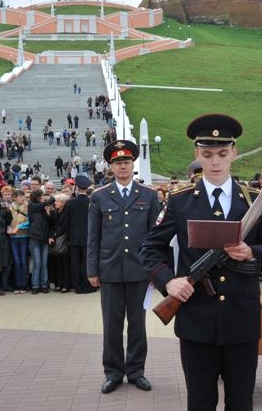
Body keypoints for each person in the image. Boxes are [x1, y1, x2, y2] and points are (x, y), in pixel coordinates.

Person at [140, 113, 262, 411]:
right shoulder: (180, 200)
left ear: (234, 153)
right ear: (197, 154)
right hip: (196, 321)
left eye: (222, 154)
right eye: (207, 154)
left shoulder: (253, 199)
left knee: (241, 402)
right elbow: (150, 248)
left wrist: (251, 253)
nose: (215, 162)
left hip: (241, 319)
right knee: (200, 402)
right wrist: (169, 281)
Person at [88, 142, 160, 394]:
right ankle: (113, 373)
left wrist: (155, 271)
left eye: (127, 162)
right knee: (112, 326)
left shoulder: (149, 196)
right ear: (111, 166)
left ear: (133, 165)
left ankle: (136, 371)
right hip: (110, 271)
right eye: (118, 163)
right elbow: (93, 236)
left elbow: (155, 238)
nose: (123, 166)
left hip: (140, 272)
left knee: (138, 326)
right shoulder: (99, 196)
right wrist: (92, 270)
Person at [63, 176, 97, 294]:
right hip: (89, 238)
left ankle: (77, 286)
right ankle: (88, 285)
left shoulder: (70, 203)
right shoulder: (91, 202)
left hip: (73, 237)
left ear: (76, 187)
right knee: (87, 263)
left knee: (75, 263)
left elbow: (65, 221)